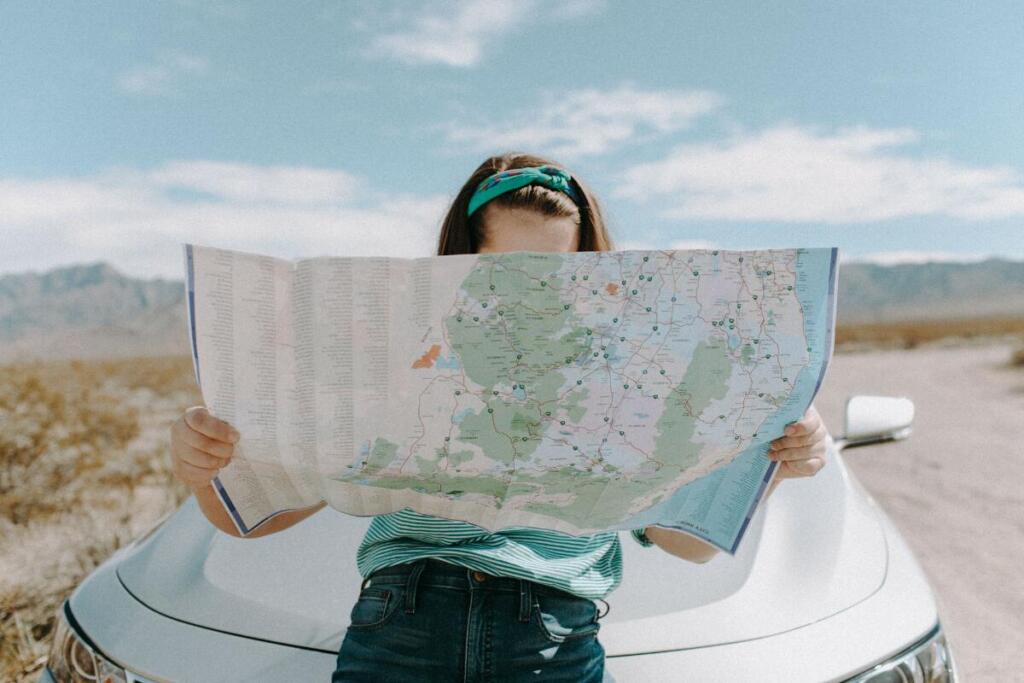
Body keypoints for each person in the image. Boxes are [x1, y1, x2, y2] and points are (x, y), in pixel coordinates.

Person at [169, 152, 831, 682]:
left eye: (555, 272)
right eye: (507, 269)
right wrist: (205, 467)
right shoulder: (398, 350)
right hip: (401, 622)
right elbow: (249, 517)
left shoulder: (632, 368)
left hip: (552, 638)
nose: (530, 292)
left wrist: (767, 461)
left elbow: (687, 543)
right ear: (461, 263)